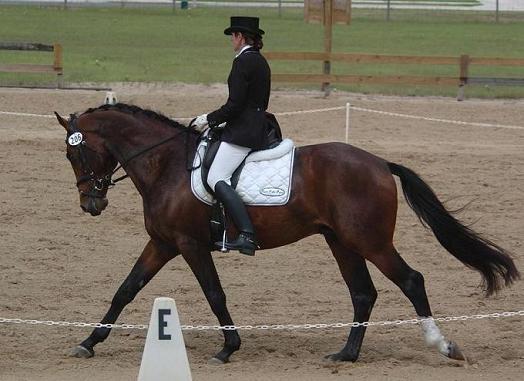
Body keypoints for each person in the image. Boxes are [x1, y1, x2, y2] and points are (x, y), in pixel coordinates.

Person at [192, 16, 272, 256]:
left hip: (243, 131)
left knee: (216, 177)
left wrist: (209, 119)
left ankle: (246, 234)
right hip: (256, 124)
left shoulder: (242, 63)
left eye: (233, 37)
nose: (232, 41)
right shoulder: (260, 61)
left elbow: (235, 104)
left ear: (240, 37)